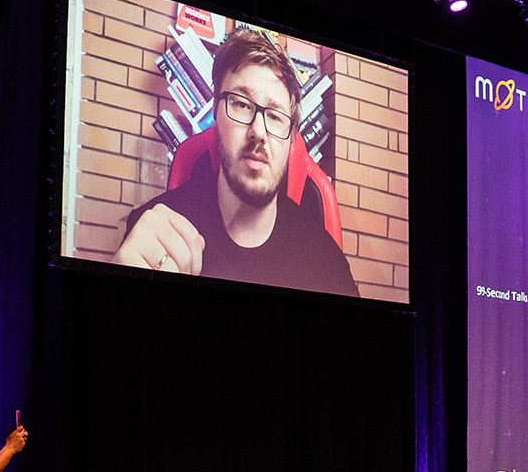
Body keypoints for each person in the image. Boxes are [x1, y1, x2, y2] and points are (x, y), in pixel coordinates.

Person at [112, 26, 359, 296]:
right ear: (216, 115)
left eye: (275, 116)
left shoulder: (324, 260)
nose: (259, 132)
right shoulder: (155, 235)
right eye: (241, 104)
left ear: (290, 139)